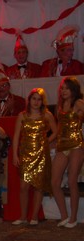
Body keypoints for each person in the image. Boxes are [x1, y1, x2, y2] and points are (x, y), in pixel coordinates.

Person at [11, 88, 57, 225]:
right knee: (23, 187)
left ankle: (34, 217)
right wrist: (15, 155)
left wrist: (46, 141)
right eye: (34, 99)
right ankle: (23, 216)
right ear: (29, 100)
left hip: (41, 155)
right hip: (25, 154)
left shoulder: (47, 115)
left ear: (42, 101)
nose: (36, 102)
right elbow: (16, 136)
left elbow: (56, 132)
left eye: (39, 99)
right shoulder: (22, 116)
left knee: (38, 186)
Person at [50, 77, 84, 228]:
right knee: (54, 182)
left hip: (76, 145)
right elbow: (59, 128)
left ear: (73, 90)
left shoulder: (78, 103)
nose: (63, 91)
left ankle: (73, 218)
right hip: (63, 145)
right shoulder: (60, 105)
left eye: (67, 88)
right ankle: (64, 215)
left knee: (71, 181)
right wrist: (51, 142)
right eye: (62, 88)